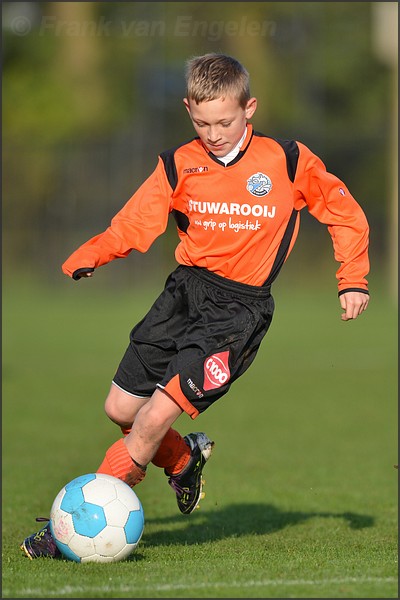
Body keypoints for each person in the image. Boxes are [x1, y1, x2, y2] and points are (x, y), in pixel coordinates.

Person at [21, 53, 370, 559]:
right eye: (202, 122)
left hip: (237, 313)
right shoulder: (178, 163)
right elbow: (134, 223)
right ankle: (184, 459)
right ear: (188, 109)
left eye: (225, 121)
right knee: (120, 407)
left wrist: (352, 279)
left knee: (149, 420)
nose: (214, 133)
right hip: (183, 294)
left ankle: (67, 532)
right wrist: (96, 252)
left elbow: (345, 212)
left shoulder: (288, 160)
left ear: (249, 108)